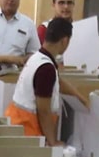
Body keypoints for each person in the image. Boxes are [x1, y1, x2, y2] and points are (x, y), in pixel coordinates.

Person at [7, 17, 73, 145]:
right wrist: (53, 142)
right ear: (65, 41)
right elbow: (44, 111)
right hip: (28, 131)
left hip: (18, 124)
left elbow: (58, 83)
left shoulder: (37, 58)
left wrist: (80, 98)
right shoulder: (46, 69)